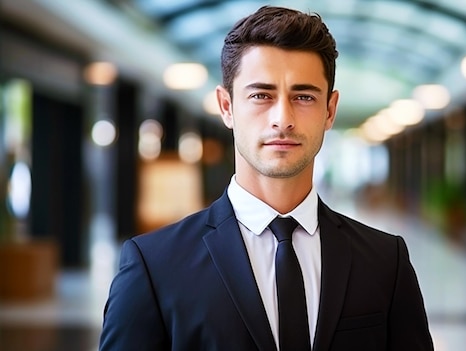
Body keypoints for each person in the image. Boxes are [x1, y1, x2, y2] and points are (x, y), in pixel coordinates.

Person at [99, 5, 433, 351]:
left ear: (330, 111)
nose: (282, 118)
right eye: (261, 95)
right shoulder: (154, 265)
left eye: (303, 97)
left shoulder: (384, 261)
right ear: (226, 107)